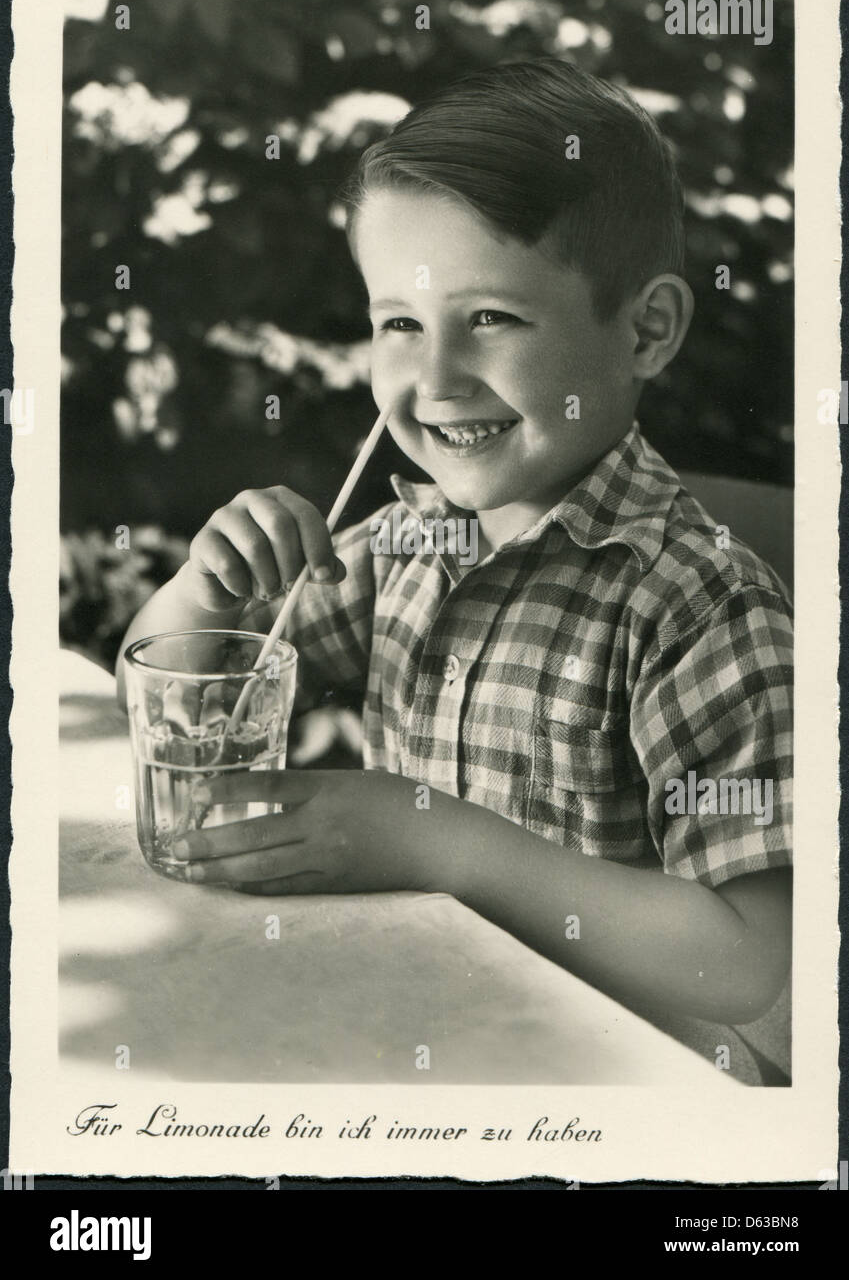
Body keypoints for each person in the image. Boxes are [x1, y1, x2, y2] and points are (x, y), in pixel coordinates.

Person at [116, 58, 792, 1084]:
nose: (430, 381)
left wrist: (431, 840)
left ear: (646, 329)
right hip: (438, 1030)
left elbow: (745, 957)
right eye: (399, 324)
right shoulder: (405, 545)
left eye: (490, 319)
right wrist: (210, 591)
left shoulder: (697, 602)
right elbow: (169, 696)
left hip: (630, 1083)